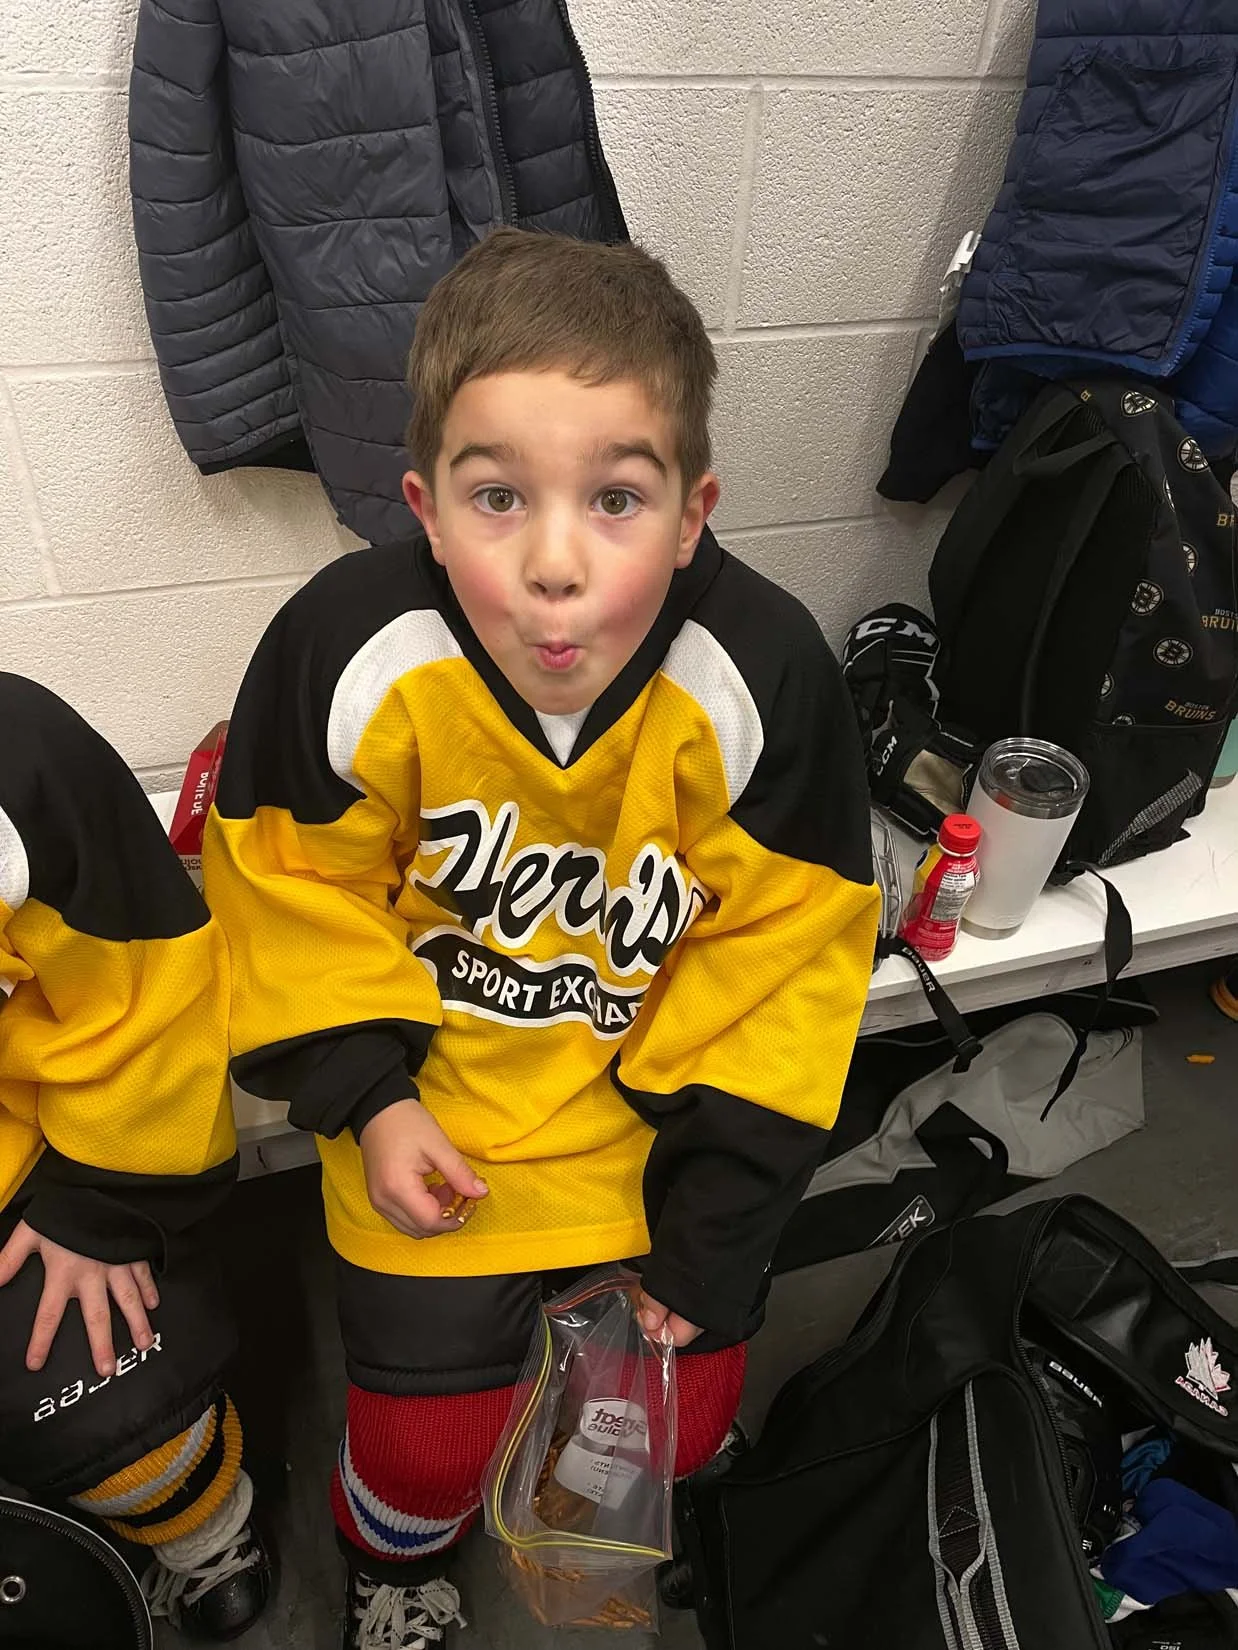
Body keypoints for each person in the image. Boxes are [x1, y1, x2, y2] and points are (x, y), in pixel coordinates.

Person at [204, 228, 879, 1650]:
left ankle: (553, 1524)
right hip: (425, 1125)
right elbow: (288, 895)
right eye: (498, 496)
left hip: (643, 1144)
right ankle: (391, 1563)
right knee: (421, 1459)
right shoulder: (348, 642)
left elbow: (781, 973)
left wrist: (713, 1233)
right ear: (425, 507)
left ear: (692, 513)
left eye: (615, 497)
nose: (553, 564)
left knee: (668, 1430)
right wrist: (367, 1098)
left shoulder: (758, 674)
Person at [0, 673, 272, 1638]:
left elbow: (150, 983)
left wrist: (99, 1204)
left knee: (134, 1434)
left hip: (26, 1168)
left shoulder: (14, 751)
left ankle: (208, 1539)